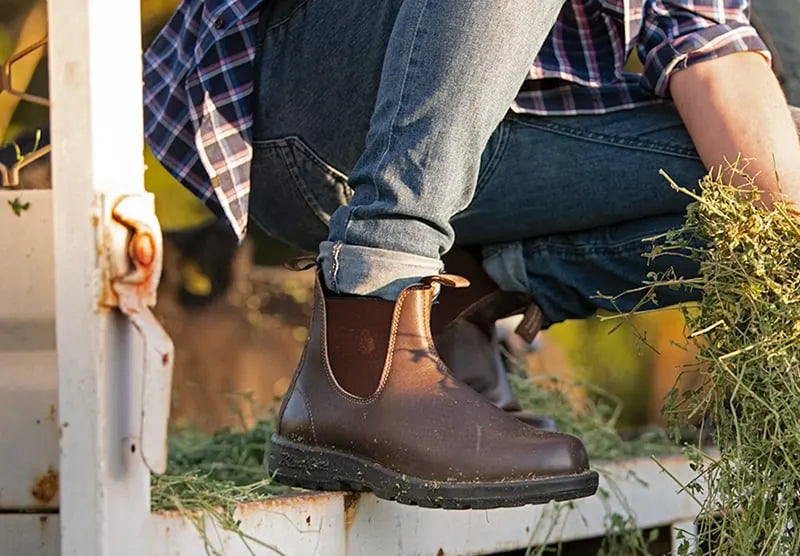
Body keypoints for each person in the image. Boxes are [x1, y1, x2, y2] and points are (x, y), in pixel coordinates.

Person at [143, 0, 800, 510]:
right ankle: (368, 328)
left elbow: (709, 52)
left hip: (479, 138)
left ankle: (462, 298)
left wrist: (787, 249)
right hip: (310, 101)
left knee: (770, 161)